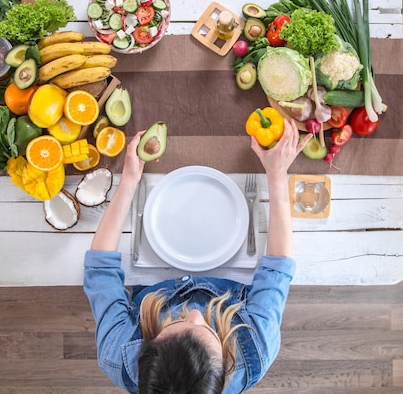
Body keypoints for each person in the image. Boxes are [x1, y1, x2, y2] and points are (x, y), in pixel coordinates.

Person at [84, 119, 310, 393]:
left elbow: (100, 269)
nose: (193, 313)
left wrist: (129, 179)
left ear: (144, 350)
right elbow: (278, 268)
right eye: (208, 330)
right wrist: (277, 175)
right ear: (225, 366)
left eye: (175, 323)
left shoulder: (116, 354)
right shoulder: (255, 348)